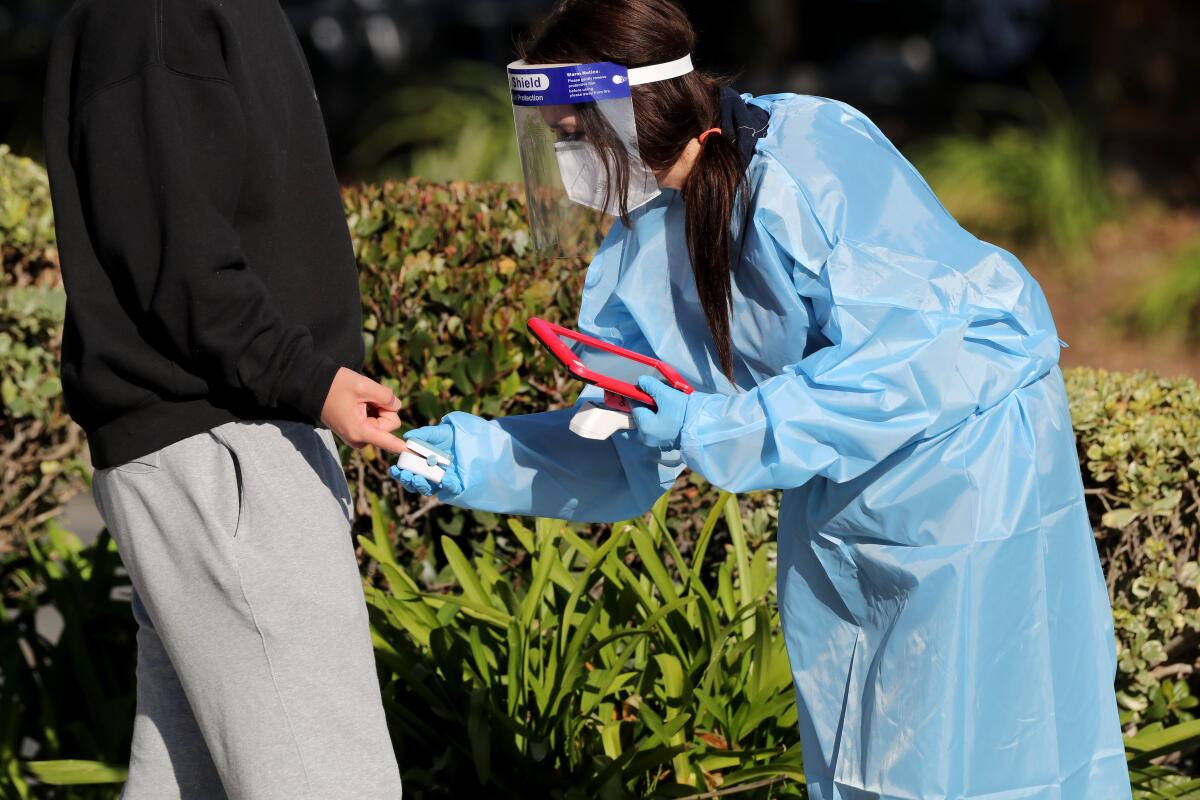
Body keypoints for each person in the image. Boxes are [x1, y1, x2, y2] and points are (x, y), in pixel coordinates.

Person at [394, 0, 1132, 797]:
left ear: (625, 114)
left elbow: (920, 363)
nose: (565, 162)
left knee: (989, 762)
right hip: (849, 520)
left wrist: (721, 424)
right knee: (866, 765)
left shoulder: (810, 159)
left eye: (571, 136)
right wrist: (468, 457)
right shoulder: (651, 231)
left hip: (970, 493)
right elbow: (633, 436)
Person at [42, 0, 406, 796]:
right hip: (224, 442)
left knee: (187, 782)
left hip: (226, 438)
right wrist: (310, 379)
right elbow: (176, 256)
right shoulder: (155, 17)